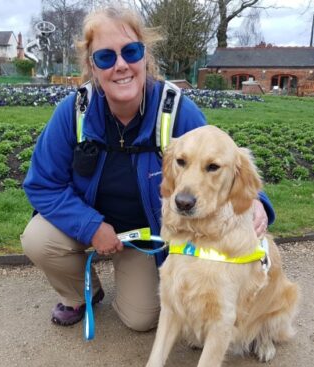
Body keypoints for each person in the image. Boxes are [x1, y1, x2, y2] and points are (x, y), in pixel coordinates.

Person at [21, 6, 274, 332]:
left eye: (131, 52)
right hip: (87, 222)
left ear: (145, 56)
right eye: (105, 58)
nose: (121, 65)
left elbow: (222, 161)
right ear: (91, 66)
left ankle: (133, 272)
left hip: (146, 235)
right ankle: (80, 294)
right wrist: (92, 227)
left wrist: (256, 201)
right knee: (37, 239)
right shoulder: (74, 112)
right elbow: (42, 184)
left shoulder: (176, 110)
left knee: (140, 319)